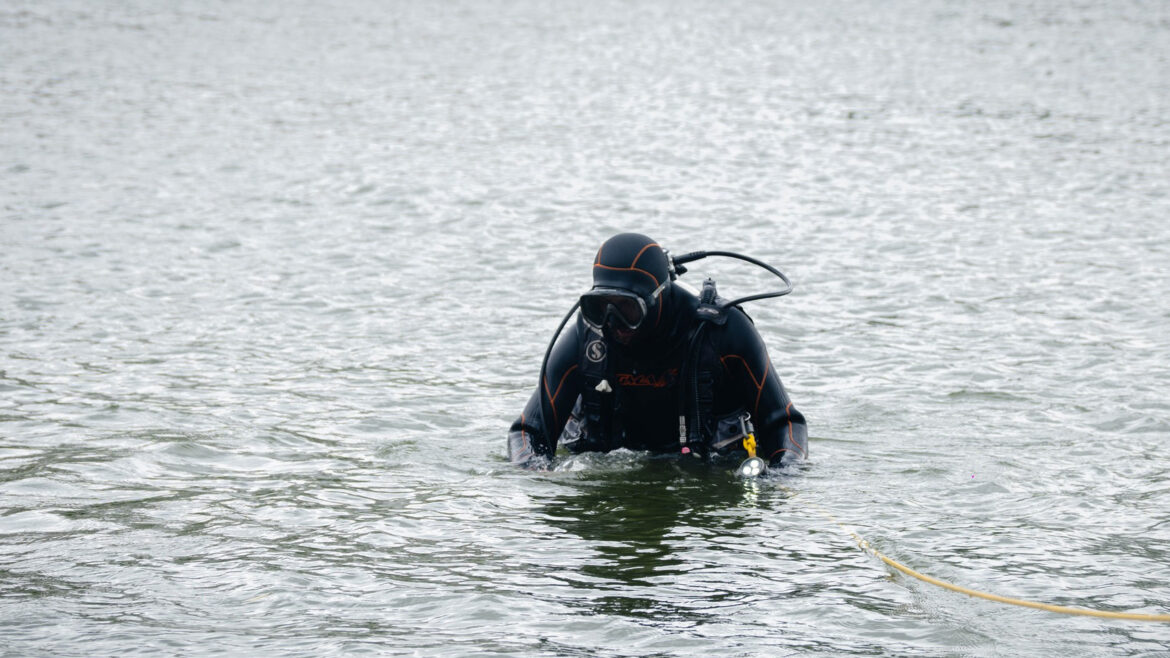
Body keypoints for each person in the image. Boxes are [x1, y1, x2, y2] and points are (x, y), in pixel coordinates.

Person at [507, 232, 807, 473]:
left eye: (628, 308)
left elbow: (786, 422)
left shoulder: (724, 333)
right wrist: (534, 468)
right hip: (612, 462)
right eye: (601, 307)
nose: (614, 323)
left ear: (658, 296)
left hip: (705, 467)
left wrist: (786, 472)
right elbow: (526, 430)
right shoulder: (587, 338)